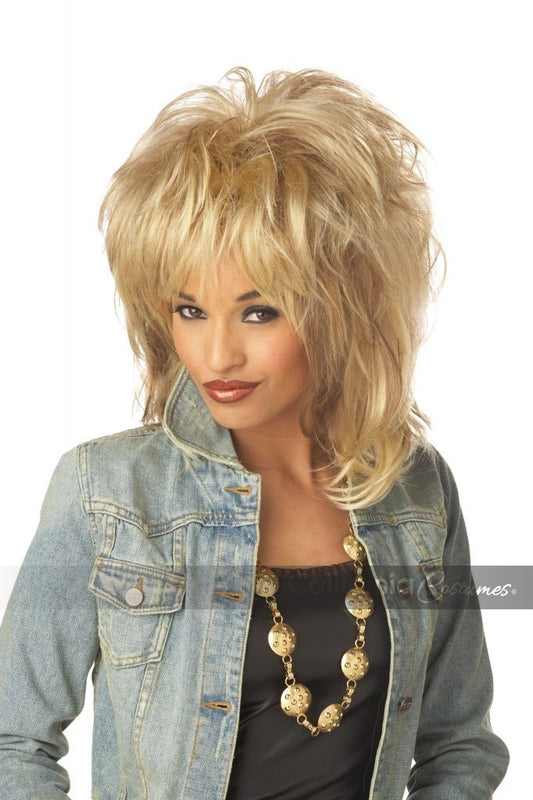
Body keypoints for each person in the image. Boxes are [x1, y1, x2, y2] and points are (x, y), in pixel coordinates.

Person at [0, 67, 508, 799]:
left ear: (341, 307)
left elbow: (460, 742)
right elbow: (14, 741)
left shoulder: (415, 489)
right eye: (189, 310)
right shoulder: (107, 492)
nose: (217, 356)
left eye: (259, 311)